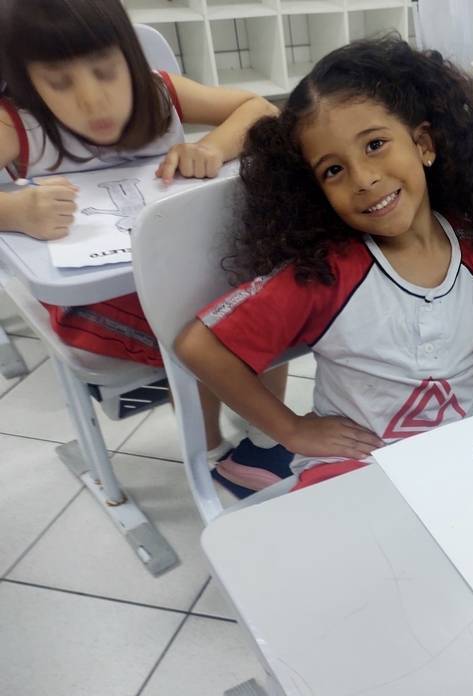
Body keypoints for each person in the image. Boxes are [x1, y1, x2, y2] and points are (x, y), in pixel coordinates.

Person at [174, 38, 473, 490]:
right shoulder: (327, 274)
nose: (363, 179)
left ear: (423, 144)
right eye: (333, 170)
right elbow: (199, 346)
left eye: (375, 144)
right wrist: (291, 430)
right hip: (349, 475)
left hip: (446, 468)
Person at [0, 0, 290, 498]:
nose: (93, 100)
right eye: (60, 82)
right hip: (95, 302)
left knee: (270, 299)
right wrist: (14, 211)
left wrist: (211, 147)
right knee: (198, 333)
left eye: (106, 71)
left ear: (130, 58)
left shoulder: (160, 94)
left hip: (181, 269)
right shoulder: (17, 127)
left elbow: (260, 110)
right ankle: (211, 452)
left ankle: (267, 434)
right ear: (27, 82)